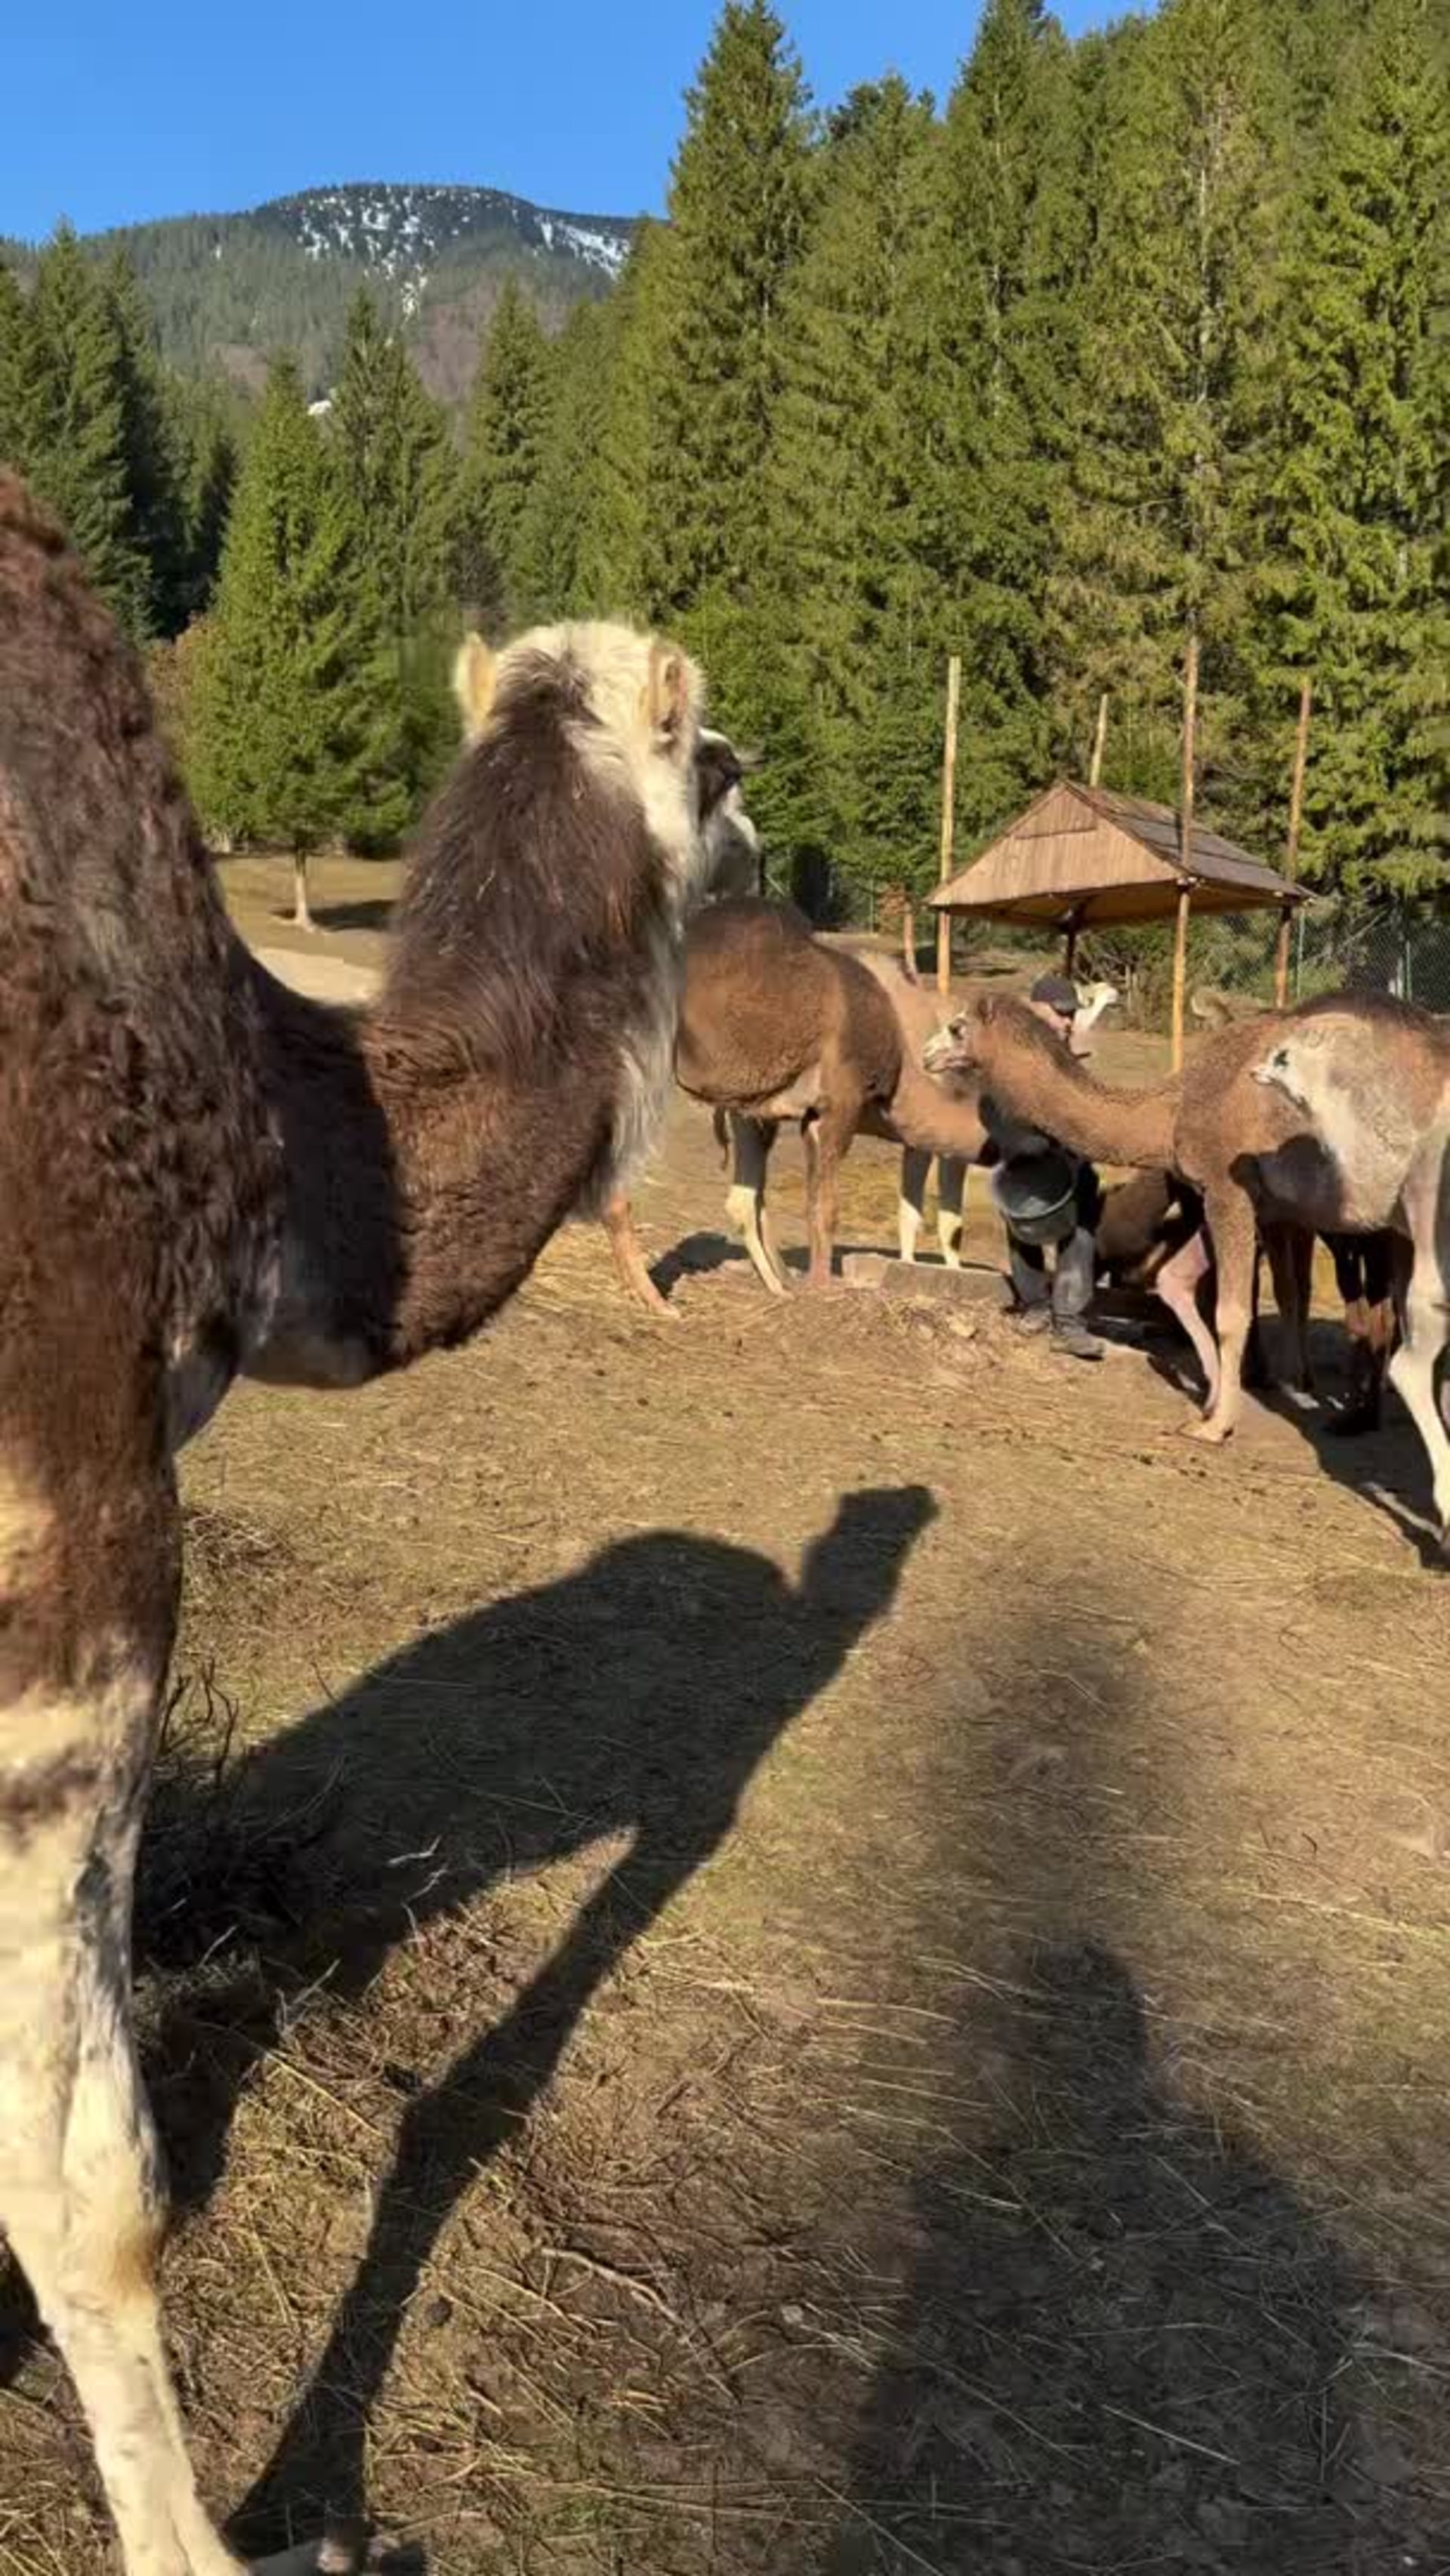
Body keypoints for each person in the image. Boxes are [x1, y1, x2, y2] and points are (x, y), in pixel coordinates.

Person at [982, 972, 1106, 1362]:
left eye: (1072, 1015)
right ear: (1036, 1009)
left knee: (1081, 1224)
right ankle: (1034, 1305)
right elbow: (988, 1106)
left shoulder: (1067, 1057)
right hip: (1024, 1161)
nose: (1068, 1022)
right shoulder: (1007, 1055)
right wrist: (1020, 1145)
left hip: (1068, 1164)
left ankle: (1068, 1323)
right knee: (1021, 1222)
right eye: (1061, 1013)